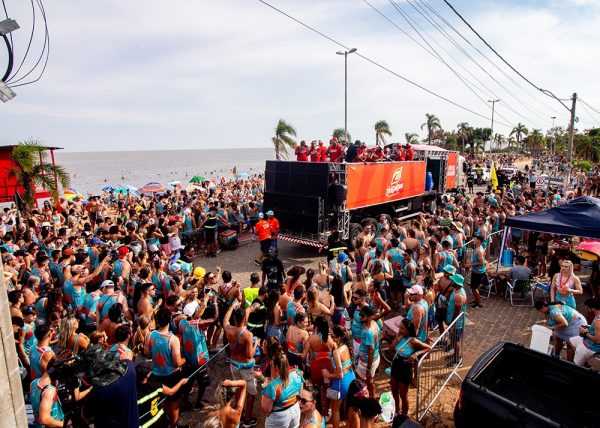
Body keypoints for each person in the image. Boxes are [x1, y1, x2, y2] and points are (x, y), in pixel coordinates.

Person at [145, 307, 186, 428]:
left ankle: (164, 420)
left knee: (161, 400)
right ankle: (174, 425)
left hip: (155, 374)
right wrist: (185, 360)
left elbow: (148, 354)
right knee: (174, 403)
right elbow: (177, 362)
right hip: (171, 375)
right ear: (169, 321)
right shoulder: (173, 339)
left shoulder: (150, 335)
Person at [224, 305, 260, 427]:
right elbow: (250, 355)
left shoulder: (228, 328)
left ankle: (237, 412)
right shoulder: (247, 335)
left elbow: (225, 319)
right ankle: (247, 418)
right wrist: (256, 344)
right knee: (252, 393)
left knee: (239, 387)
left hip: (234, 364)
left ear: (234, 318)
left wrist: (232, 307)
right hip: (246, 366)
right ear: (245, 318)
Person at [388, 318, 431, 416]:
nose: (399, 330)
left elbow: (428, 348)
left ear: (408, 330)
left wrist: (416, 353)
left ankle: (403, 415)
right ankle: (396, 411)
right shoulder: (399, 337)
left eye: (402, 329)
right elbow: (390, 350)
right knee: (394, 390)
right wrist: (396, 339)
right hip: (396, 365)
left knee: (403, 395)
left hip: (405, 368)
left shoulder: (413, 340)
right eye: (399, 327)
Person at [136, 359, 189, 428]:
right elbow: (171, 392)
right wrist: (181, 382)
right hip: (158, 422)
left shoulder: (133, 389)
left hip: (143, 425)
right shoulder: (155, 386)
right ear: (148, 375)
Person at [322, 326, 356, 428]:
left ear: (339, 337)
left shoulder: (337, 352)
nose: (331, 338)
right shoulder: (347, 346)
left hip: (340, 383)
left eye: (333, 336)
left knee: (335, 411)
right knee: (346, 407)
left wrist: (328, 375)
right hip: (351, 379)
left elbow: (339, 375)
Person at [261, 352, 304, 428]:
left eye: (271, 365)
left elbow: (266, 409)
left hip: (279, 417)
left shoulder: (272, 387)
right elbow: (300, 392)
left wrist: (265, 387)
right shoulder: (297, 373)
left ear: (276, 368)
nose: (271, 367)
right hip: (295, 411)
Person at [356, 306, 380, 399]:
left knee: (361, 381)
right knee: (370, 380)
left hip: (367, 361)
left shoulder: (368, 331)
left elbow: (371, 349)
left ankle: (370, 399)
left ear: (370, 317)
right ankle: (372, 397)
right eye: (360, 315)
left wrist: (369, 368)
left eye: (362, 316)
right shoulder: (374, 323)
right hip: (373, 358)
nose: (360, 317)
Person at [446, 274, 467, 366]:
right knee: (453, 339)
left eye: (452, 281)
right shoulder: (456, 291)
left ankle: (457, 360)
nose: (451, 282)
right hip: (454, 321)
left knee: (455, 341)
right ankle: (455, 355)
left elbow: (457, 313)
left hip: (457, 323)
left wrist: (452, 324)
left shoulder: (459, 296)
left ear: (456, 283)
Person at [572, 298, 600, 366]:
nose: (586, 309)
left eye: (587, 308)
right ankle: (585, 364)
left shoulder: (597, 321)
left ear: (593, 308)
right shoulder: (597, 318)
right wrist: (589, 326)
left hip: (593, 346)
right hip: (590, 339)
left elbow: (598, 340)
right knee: (570, 342)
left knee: (576, 364)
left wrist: (585, 332)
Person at [464, 235, 486, 308]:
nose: (473, 240)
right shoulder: (477, 248)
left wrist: (470, 264)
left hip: (478, 272)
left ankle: (479, 303)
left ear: (479, 241)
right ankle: (476, 300)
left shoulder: (479, 250)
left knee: (474, 288)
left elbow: (481, 262)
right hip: (476, 271)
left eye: (475, 239)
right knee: (474, 287)